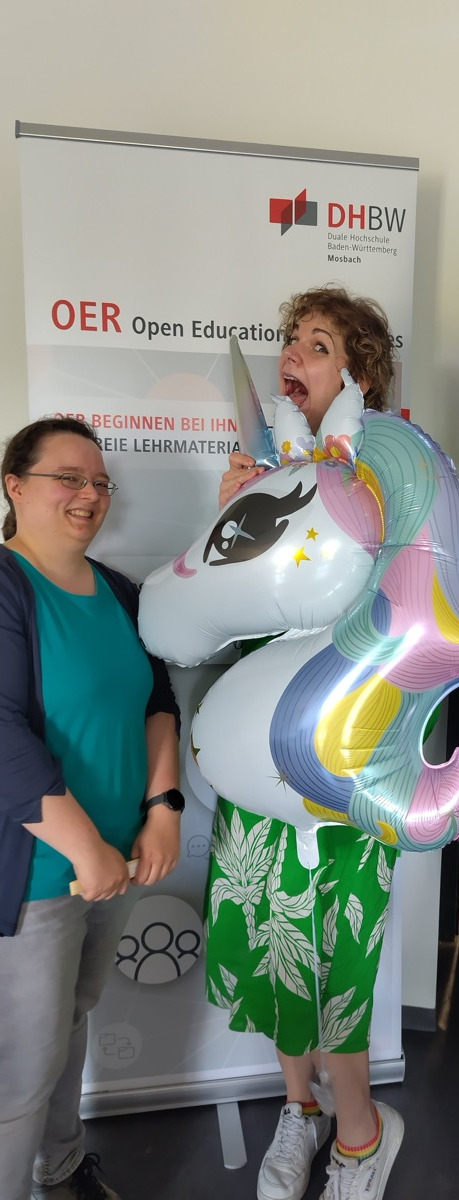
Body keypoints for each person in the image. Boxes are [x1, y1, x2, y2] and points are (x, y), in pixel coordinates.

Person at [205, 285, 404, 1200]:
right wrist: (231, 524)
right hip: (255, 746)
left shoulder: (390, 472)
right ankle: (302, 1110)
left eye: (317, 343)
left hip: (343, 753)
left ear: (358, 376)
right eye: (290, 340)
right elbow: (224, 615)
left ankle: (362, 1136)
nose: (292, 354)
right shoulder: (261, 475)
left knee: (337, 952)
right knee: (268, 934)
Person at [0, 417, 183, 1200]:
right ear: (14, 486)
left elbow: (159, 701)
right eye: (68, 478)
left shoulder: (119, 591)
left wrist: (163, 809)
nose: (89, 495)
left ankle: (63, 1163)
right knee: (21, 1067)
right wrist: (84, 849)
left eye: (100, 482)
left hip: (118, 860)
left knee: (71, 1020)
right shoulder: (7, 585)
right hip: (39, 871)